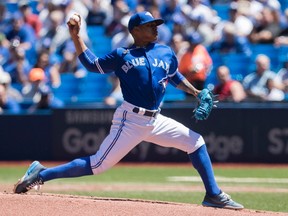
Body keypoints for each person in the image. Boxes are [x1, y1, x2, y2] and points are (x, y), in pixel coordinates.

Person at [13, 11, 244, 210]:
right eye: (149, 25)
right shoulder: (123, 55)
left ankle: (213, 195)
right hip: (130, 120)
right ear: (135, 30)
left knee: (195, 142)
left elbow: (174, 76)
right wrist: (76, 37)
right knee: (97, 165)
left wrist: (195, 92)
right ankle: (41, 174)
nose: (155, 28)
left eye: (156, 24)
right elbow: (93, 65)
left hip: (156, 119)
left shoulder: (164, 51)